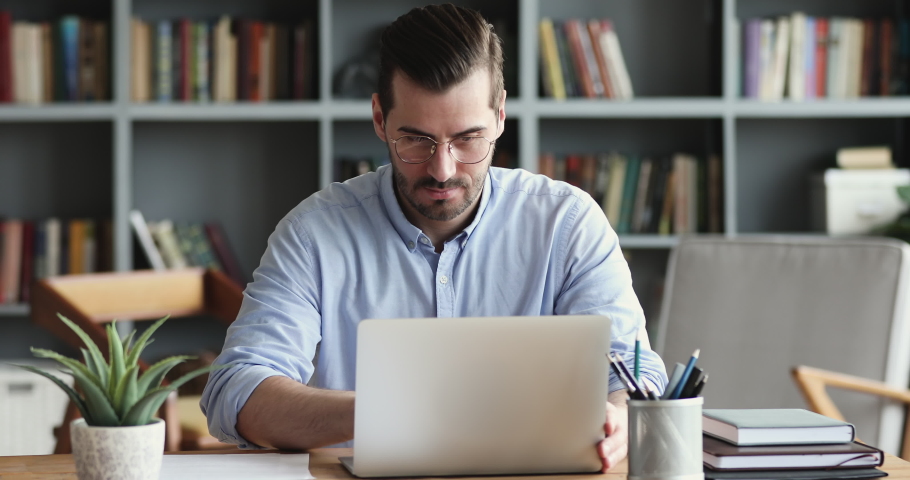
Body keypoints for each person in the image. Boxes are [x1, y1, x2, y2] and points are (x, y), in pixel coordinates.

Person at [201, 4, 668, 471]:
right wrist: (384, 415)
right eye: (417, 140)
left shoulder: (567, 223)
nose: (443, 169)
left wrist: (623, 415)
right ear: (380, 119)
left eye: (468, 139)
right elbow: (235, 390)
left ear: (501, 117)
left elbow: (634, 370)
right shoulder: (313, 235)